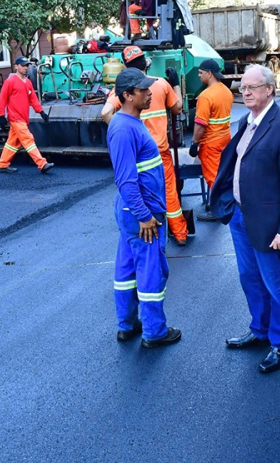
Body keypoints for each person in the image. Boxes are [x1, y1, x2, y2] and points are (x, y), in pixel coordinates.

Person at [209, 64, 280, 374]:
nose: (246, 92)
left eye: (253, 87)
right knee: (249, 278)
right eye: (243, 88)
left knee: (276, 284)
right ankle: (260, 329)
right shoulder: (245, 121)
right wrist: (226, 202)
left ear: (270, 89)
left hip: (270, 226)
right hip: (241, 217)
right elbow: (231, 164)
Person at [107, 67, 182, 348]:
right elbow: (126, 181)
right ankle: (154, 331)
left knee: (127, 268)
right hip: (142, 213)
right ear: (127, 95)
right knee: (151, 270)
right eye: (144, 90)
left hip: (132, 212)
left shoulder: (128, 123)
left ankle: (127, 325)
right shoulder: (125, 129)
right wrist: (146, 216)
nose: (150, 93)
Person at [101, 46, 189, 246]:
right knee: (169, 192)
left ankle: (149, 229)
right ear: (145, 62)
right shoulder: (161, 84)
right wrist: (176, 85)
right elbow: (177, 108)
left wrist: (121, 131)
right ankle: (180, 234)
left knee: (139, 190)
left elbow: (106, 113)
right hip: (159, 152)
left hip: (138, 153)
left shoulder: (123, 90)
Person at [189, 59, 233, 222]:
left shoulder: (206, 96)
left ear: (209, 73)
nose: (199, 76)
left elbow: (200, 124)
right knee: (223, 175)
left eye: (200, 73)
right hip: (225, 140)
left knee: (213, 178)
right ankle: (221, 204)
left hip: (210, 144)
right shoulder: (226, 91)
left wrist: (194, 143)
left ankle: (218, 210)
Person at [0, 57, 54, 174]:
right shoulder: (10, 82)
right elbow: (2, 99)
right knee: (28, 139)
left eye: (27, 65)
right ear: (16, 66)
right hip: (15, 118)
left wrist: (41, 112)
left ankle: (3, 164)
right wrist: (1, 115)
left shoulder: (27, 82)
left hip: (23, 118)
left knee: (13, 143)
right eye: (23, 65)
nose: (26, 68)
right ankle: (42, 164)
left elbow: (33, 99)